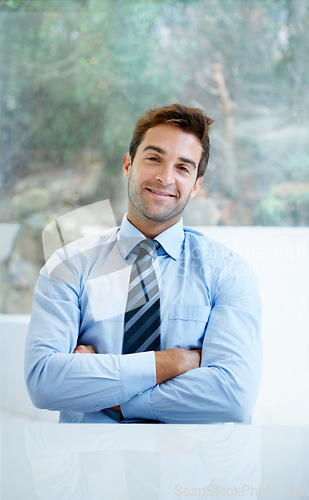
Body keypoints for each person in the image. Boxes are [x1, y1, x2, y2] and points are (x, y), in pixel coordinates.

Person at [25, 104, 262, 424]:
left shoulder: (227, 272)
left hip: (189, 469)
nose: (165, 177)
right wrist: (175, 362)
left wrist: (118, 401)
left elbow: (233, 396)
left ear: (196, 185)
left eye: (183, 167)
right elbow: (44, 383)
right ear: (128, 164)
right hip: (91, 466)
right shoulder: (70, 266)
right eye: (154, 158)